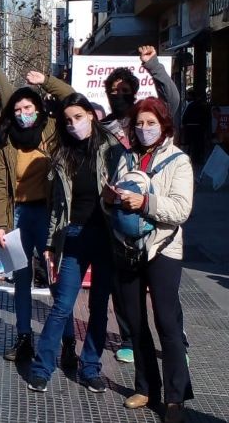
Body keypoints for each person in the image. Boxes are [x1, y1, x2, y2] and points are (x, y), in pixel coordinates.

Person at [26, 93, 122, 394]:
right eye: (67, 120)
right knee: (62, 306)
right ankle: (42, 367)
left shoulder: (113, 150)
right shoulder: (61, 154)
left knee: (98, 307)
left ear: (91, 115)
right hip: (73, 235)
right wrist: (51, 246)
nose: (72, 124)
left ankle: (91, 367)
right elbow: (56, 207)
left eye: (78, 117)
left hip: (106, 237)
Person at [0, 58, 77, 363]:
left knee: (55, 280)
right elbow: (1, 185)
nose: (23, 114)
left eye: (28, 108)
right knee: (20, 280)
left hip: (49, 216)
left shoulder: (52, 130)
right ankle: (24, 337)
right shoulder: (7, 141)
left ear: (38, 108)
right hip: (18, 217)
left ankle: (66, 342)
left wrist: (46, 81)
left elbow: (74, 100)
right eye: (18, 110)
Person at [110, 98, 193, 422]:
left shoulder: (179, 161)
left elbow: (181, 209)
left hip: (163, 248)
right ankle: (145, 387)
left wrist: (145, 202)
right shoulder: (126, 158)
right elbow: (116, 197)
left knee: (167, 322)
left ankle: (176, 396)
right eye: (139, 124)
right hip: (128, 247)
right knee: (134, 320)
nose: (144, 129)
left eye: (150, 123)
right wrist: (111, 199)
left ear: (164, 125)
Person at [100, 45, 179, 363]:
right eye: (114, 91)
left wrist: (153, 66)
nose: (118, 95)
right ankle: (130, 338)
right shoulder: (102, 127)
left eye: (125, 91)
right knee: (125, 288)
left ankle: (175, 344)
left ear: (134, 93)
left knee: (163, 292)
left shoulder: (145, 122)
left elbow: (171, 100)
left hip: (154, 215)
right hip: (119, 220)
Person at [181, 88, 210, 165]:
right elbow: (206, 117)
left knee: (190, 145)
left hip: (190, 128)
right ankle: (198, 160)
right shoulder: (202, 105)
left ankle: (191, 160)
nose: (186, 96)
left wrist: (183, 124)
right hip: (200, 128)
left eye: (187, 95)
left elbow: (184, 117)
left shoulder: (189, 105)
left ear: (190, 96)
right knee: (198, 144)